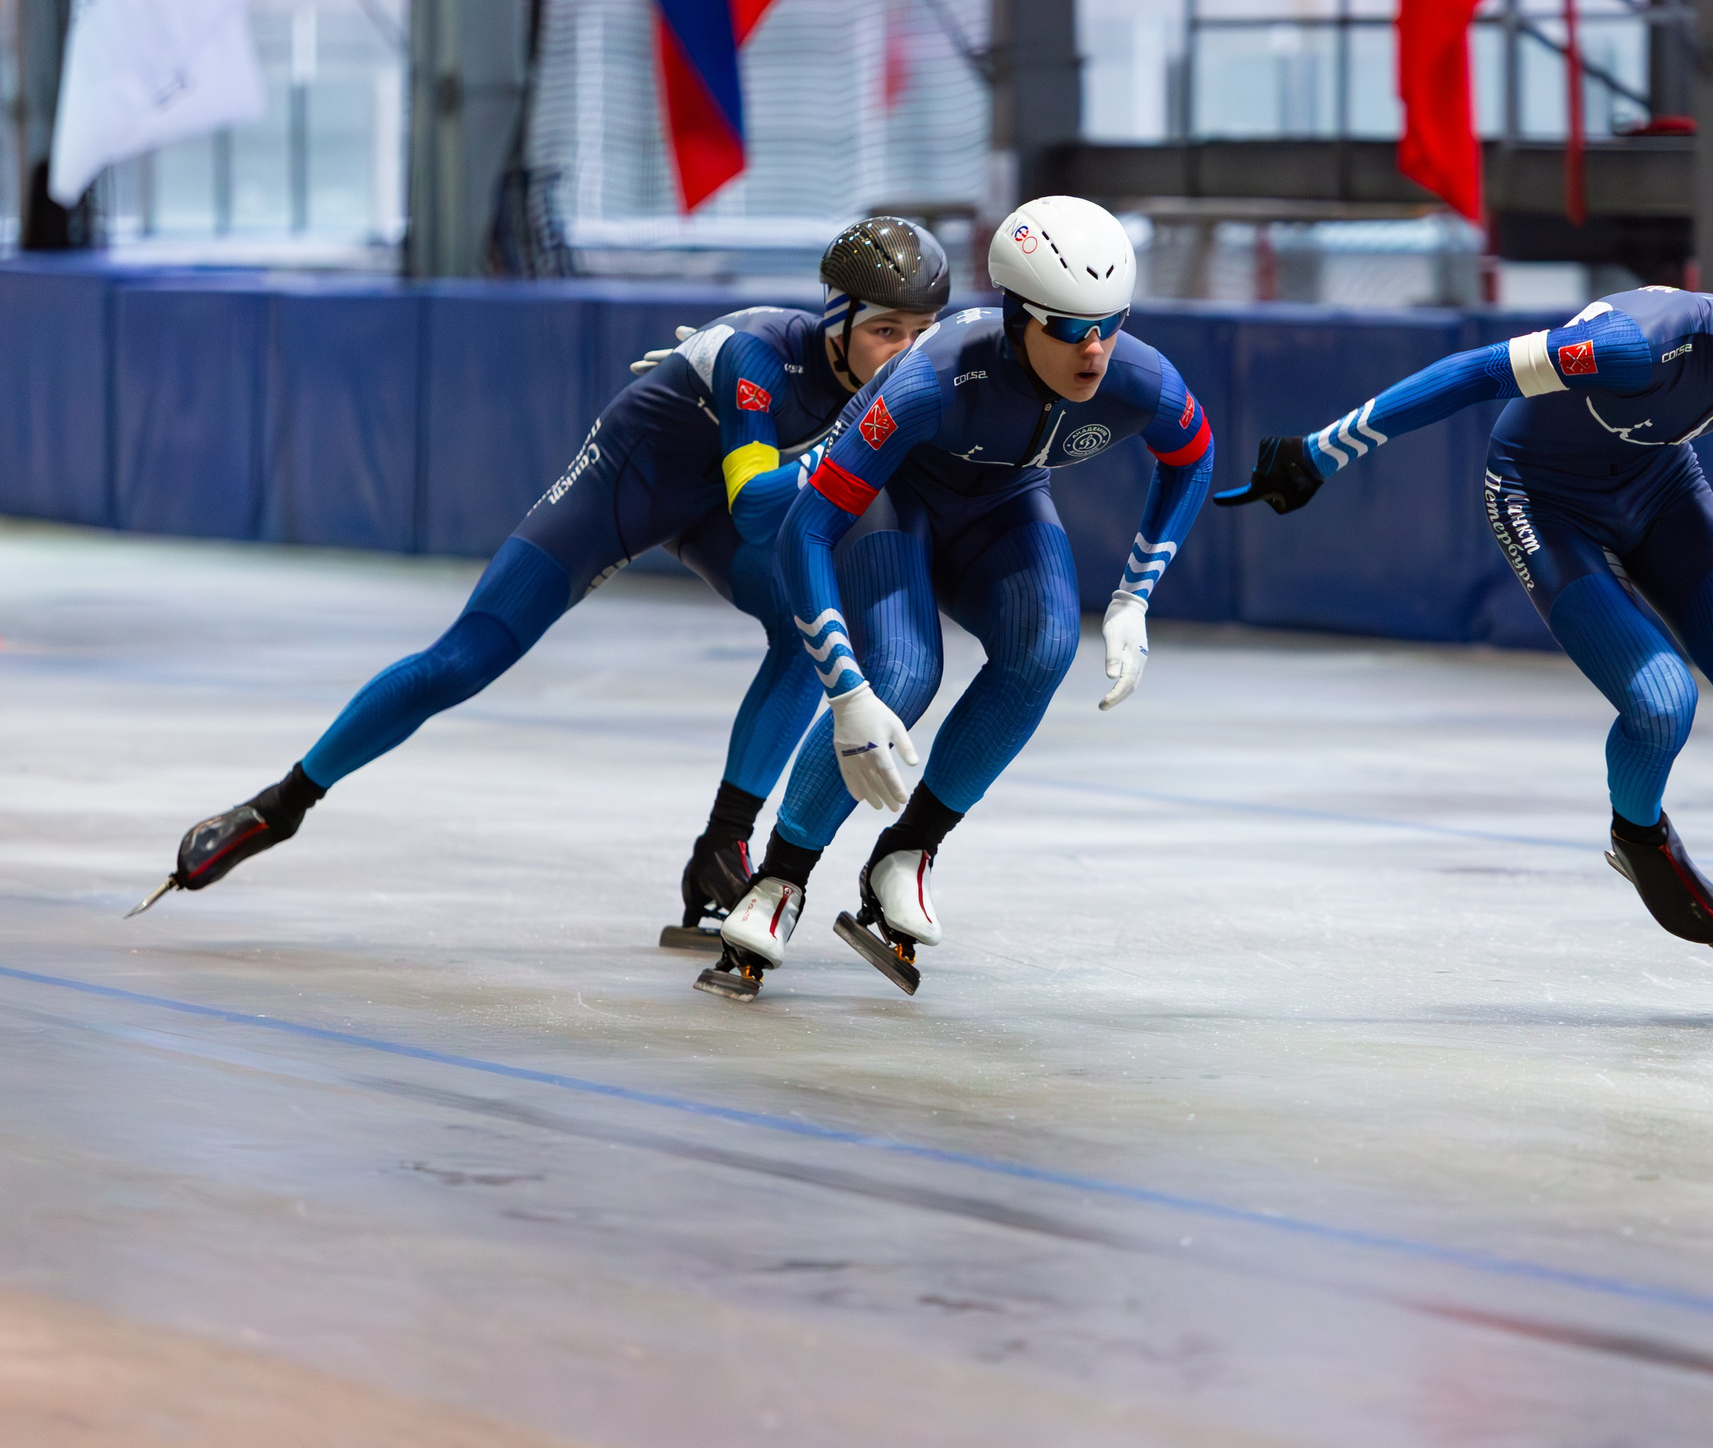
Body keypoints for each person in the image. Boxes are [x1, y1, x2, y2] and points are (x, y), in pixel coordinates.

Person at [1217, 192, 1713, 1022]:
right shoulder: (1634, 348)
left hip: (1661, 486)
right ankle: (1636, 836)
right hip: (1542, 497)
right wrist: (1320, 451)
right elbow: (1475, 373)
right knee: (1661, 702)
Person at [130, 218, 953, 934]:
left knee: (803, 628)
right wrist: (840, 438)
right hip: (627, 487)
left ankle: (721, 847)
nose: (906, 355)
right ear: (837, 321)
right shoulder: (758, 356)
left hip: (707, 496)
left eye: (924, 333)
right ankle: (281, 803)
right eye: (888, 331)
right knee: (464, 660)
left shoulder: (888, 381)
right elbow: (759, 514)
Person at [704, 194, 1214, 999]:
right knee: (902, 675)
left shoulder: (1140, 378)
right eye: (1072, 329)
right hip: (896, 502)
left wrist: (1133, 599)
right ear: (1018, 317)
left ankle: (908, 851)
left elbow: (1195, 456)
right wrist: (844, 689)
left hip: (1003, 503)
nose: (1097, 351)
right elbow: (804, 530)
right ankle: (778, 880)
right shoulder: (928, 382)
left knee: (1044, 649)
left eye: (1111, 323)